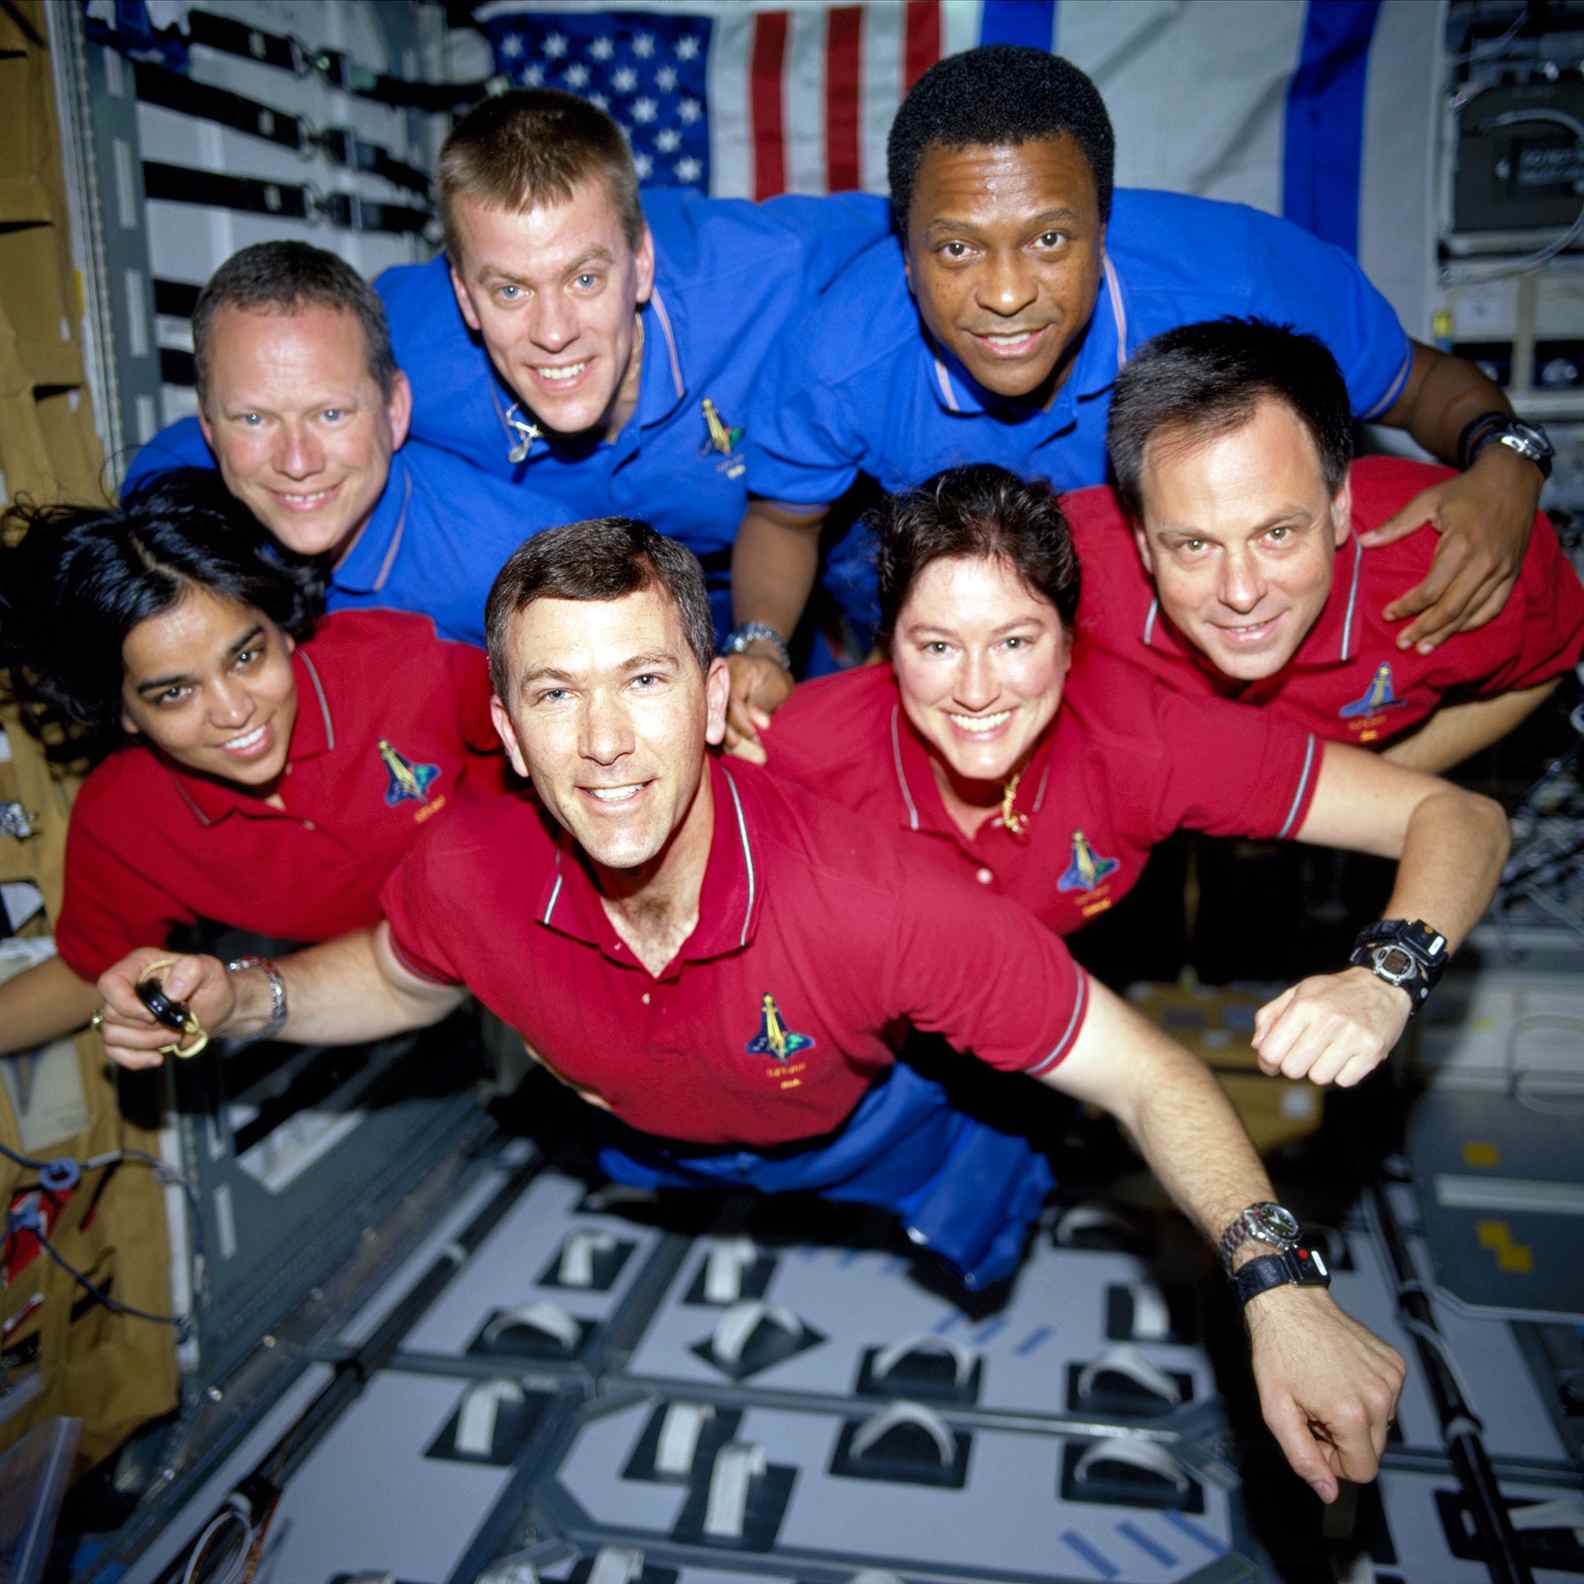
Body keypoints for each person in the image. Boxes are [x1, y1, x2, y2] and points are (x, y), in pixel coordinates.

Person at [97, 515, 1403, 1502]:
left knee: (981, 1237)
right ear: (504, 722)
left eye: (646, 680)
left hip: (897, 1130)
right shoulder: (461, 867)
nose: (605, 743)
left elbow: (1146, 1077)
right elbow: (394, 970)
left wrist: (1279, 1293)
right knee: (675, 1163)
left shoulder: (884, 904)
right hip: (653, 1141)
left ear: (719, 699)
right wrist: (249, 994)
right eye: (557, 693)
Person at [725, 45, 1553, 755]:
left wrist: (1508, 459)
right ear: (905, 256)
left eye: (1050, 239)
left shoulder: (1246, 282)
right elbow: (783, 520)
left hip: (1189, 627)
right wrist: (760, 644)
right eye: (956, 248)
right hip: (984, 631)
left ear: (1104, 225)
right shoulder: (840, 355)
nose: (1007, 292)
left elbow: (1423, 386)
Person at [748, 465, 1508, 1087]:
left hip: (1048, 1041)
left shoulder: (1145, 739)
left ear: (1071, 644)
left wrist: (1386, 976)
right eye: (938, 646)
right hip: (851, 1052)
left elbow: (1459, 819)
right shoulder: (797, 754)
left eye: (1015, 641)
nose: (976, 690)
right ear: (889, 649)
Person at [0, 470, 498, 1057]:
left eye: (246, 656)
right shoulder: (125, 823)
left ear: (282, 630)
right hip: (406, 987)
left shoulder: (405, 667)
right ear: (125, 713)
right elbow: (92, 973)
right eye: (174, 694)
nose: (235, 711)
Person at [372, 88, 889, 642]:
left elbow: (931, 223)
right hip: (607, 607)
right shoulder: (397, 341)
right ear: (465, 297)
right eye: (511, 291)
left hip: (801, 547)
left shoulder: (772, 265)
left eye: (585, 279)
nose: (553, 333)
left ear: (642, 263)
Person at [1078, 317, 1584, 772]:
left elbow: (1550, 659)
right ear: (1143, 540)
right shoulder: (1057, 570)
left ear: (1339, 506)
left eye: (1277, 534)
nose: (1241, 593)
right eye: (1193, 545)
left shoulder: (1455, 559)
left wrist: (1357, 793)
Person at [121, 241, 566, 649]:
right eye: (254, 420)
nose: (297, 462)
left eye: (330, 415)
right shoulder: (164, 491)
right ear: (209, 428)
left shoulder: (516, 569)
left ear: (395, 411)